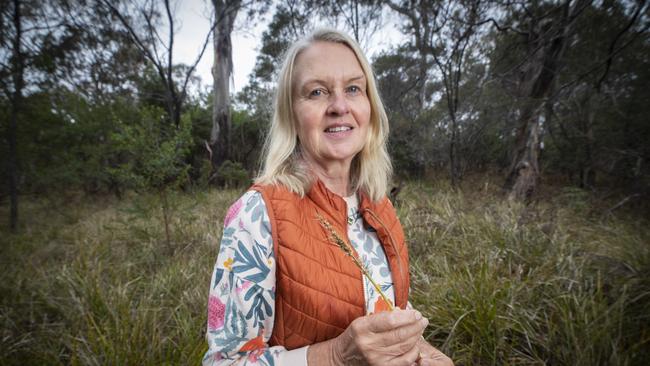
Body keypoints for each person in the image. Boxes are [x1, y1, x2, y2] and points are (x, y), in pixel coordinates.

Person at [203, 28, 453, 366]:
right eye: (317, 92)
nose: (339, 106)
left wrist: (425, 351)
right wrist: (335, 355)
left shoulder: (379, 205)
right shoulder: (257, 214)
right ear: (291, 114)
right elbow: (224, 362)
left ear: (369, 106)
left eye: (353, 88)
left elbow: (389, 310)